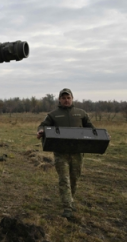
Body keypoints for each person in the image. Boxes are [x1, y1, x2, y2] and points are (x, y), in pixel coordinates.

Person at [36, 88, 94, 219]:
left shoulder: (81, 113)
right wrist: (41, 131)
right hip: (60, 153)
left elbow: (91, 129)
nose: (66, 100)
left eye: (68, 98)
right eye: (63, 98)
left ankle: (70, 200)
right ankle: (67, 207)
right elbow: (43, 125)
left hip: (77, 153)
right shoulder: (53, 114)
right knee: (64, 179)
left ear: (72, 98)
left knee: (74, 179)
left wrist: (104, 136)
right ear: (59, 99)